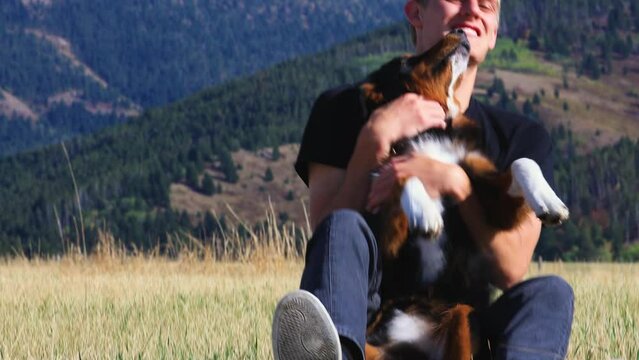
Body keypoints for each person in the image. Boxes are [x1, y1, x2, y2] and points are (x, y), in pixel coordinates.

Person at [271, 0, 574, 359]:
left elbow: (510, 269)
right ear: (416, 12)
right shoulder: (345, 108)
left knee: (551, 294)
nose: (473, 9)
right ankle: (340, 352)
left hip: (461, 331)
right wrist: (372, 141)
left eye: (488, 5)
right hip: (369, 321)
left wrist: (456, 183)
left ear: (493, 32)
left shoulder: (520, 138)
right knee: (343, 226)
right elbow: (328, 238)